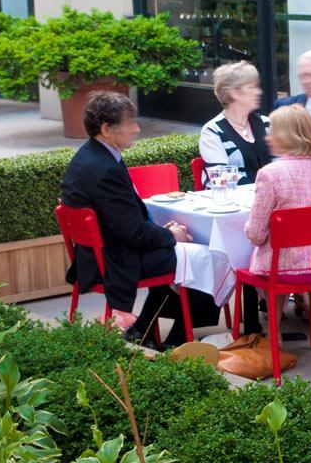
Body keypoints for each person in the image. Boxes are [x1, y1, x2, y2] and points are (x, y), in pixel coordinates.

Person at [61, 92, 222, 347]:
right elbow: (132, 233)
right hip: (115, 261)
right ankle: (177, 340)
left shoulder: (90, 156)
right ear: (106, 129)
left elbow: (125, 223)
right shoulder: (104, 169)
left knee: (182, 252)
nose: (136, 129)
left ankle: (143, 331)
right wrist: (171, 235)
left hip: (98, 255)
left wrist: (163, 234)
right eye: (129, 123)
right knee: (207, 255)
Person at [241, 105, 311, 335]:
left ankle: (274, 335)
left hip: (281, 269)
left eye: (272, 132)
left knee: (257, 255)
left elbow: (255, 234)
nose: (267, 137)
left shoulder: (270, 174)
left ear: (287, 136)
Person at [199, 60, 271, 185]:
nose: (259, 92)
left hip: (269, 195)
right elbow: (220, 175)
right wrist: (259, 189)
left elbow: (283, 162)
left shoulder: (267, 123)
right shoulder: (213, 131)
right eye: (252, 87)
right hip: (232, 196)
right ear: (234, 93)